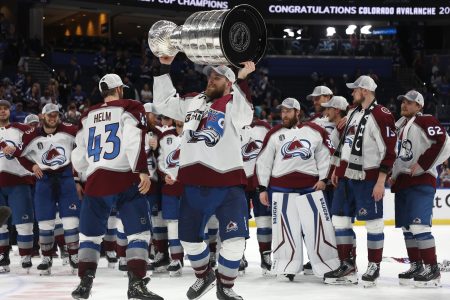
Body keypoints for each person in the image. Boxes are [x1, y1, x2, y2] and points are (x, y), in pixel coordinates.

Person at [153, 58, 254, 300]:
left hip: (227, 181)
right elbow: (164, 103)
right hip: (193, 182)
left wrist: (242, 80)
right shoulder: (192, 101)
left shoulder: (233, 102)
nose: (211, 80)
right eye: (210, 77)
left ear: (228, 83)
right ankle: (204, 275)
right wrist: (164, 68)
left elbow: (245, 117)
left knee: (235, 239)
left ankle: (226, 286)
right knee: (188, 239)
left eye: (217, 78)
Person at [70, 74, 163, 300]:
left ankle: (84, 284)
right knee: (138, 233)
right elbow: (133, 140)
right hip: (123, 177)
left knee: (89, 237)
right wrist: (141, 170)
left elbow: (78, 157)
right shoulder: (130, 106)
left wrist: (83, 175)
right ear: (120, 89)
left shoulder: (87, 115)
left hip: (94, 180)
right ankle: (136, 284)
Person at [324, 75, 397, 287]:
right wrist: (338, 168)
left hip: (369, 177)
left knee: (373, 223)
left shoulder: (381, 114)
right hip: (346, 176)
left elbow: (389, 150)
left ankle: (374, 266)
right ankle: (347, 265)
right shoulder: (354, 113)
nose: (352, 93)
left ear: (364, 91)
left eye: (355, 90)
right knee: (340, 220)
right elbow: (345, 144)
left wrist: (381, 181)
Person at [256, 97, 337, 280]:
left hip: (310, 189)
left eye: (288, 111)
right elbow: (264, 162)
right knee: (285, 231)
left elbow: (325, 156)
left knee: (317, 228)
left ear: (297, 112)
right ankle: (287, 266)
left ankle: (326, 266)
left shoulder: (315, 131)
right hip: (280, 189)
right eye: (282, 111)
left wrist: (324, 179)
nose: (284, 115)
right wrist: (262, 188)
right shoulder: (274, 134)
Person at [7, 103, 81, 275]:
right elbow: (20, 155)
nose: (53, 118)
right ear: (43, 116)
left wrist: (77, 173)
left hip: (65, 178)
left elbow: (82, 146)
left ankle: (74, 255)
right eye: (49, 115)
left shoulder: (70, 130)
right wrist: (32, 167)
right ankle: (46, 257)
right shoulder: (31, 134)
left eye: (55, 115)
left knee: (71, 220)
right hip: (44, 179)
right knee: (45, 222)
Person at [390, 90, 450, 287]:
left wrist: (424, 164)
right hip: (403, 181)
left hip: (421, 181)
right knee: (408, 228)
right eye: (403, 102)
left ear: (419, 106)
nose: (404, 105)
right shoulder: (399, 125)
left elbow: (444, 143)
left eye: (409, 102)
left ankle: (432, 270)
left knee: (419, 226)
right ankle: (416, 265)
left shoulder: (426, 120)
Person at [0, 99, 35, 273]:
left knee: (24, 223)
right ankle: (2, 257)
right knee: (0, 225)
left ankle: (25, 256)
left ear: (10, 110)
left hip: (18, 180)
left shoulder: (20, 129)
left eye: (5, 108)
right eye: (0, 109)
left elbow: (34, 141)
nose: (2, 111)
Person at [240, 111, 272, 275]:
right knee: (238, 221)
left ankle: (266, 257)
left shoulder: (264, 127)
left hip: (260, 182)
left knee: (264, 220)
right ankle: (239, 256)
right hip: (238, 183)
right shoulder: (232, 126)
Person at [157, 119, 185, 276]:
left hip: (191, 189)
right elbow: (160, 161)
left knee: (196, 223)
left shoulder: (196, 133)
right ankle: (176, 259)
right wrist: (164, 175)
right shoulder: (165, 136)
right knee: (173, 223)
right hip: (171, 188)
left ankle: (202, 259)